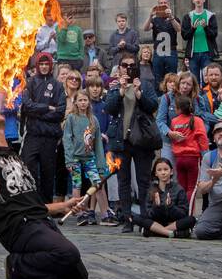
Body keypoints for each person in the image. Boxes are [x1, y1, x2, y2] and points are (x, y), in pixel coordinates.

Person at [0, 109, 89, 279]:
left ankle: (24, 270)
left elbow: (31, 204)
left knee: (78, 277)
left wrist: (63, 205)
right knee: (67, 253)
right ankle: (17, 267)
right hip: (18, 227)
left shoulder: (13, 154)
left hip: (40, 222)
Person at [104, 57, 159, 232]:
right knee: (123, 181)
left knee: (144, 181)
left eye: (131, 65)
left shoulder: (146, 84)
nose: (128, 68)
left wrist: (139, 94)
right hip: (122, 142)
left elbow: (152, 106)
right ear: (119, 68)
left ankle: (145, 219)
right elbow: (110, 109)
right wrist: (121, 91)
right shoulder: (114, 86)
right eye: (124, 65)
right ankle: (127, 218)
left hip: (142, 140)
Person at [18, 52, 66, 204]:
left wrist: (37, 113)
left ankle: (46, 205)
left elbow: (60, 112)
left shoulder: (58, 85)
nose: (44, 67)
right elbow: (27, 106)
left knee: (48, 172)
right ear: (37, 65)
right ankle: (33, 202)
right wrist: (46, 108)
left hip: (50, 136)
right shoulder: (30, 83)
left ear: (51, 65)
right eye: (41, 64)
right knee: (28, 166)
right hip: (32, 134)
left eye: (47, 64)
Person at [62, 89, 107, 222]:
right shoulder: (71, 118)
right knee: (77, 184)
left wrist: (101, 165)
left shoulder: (93, 120)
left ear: (89, 102)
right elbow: (67, 139)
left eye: (85, 100)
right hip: (75, 157)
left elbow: (98, 143)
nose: (82, 103)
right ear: (75, 102)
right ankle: (80, 212)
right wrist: (69, 160)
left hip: (89, 158)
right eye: (80, 100)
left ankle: (105, 213)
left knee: (97, 184)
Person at [138, 158, 196, 238]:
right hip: (157, 222)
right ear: (155, 173)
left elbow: (183, 214)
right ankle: (172, 233)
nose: (163, 173)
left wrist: (171, 206)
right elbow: (149, 215)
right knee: (138, 218)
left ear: (171, 171)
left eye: (166, 169)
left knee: (191, 219)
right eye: (159, 170)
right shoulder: (151, 190)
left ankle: (157, 232)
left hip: (173, 223)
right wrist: (156, 207)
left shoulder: (179, 189)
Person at [180, 0, 218, 88]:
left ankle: (206, 100)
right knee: (194, 80)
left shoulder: (210, 16)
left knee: (207, 79)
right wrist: (192, 28)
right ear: (193, 1)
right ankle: (196, 101)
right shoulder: (188, 16)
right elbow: (184, 36)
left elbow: (214, 35)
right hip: (193, 54)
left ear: (204, 0)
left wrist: (205, 27)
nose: (198, 0)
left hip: (207, 53)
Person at [144, 0, 180, 83]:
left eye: (165, 3)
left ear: (169, 4)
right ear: (158, 5)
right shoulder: (155, 19)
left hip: (171, 50)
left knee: (172, 77)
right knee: (158, 76)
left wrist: (171, 17)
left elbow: (178, 29)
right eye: (161, 3)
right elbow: (146, 28)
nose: (163, 5)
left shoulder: (174, 18)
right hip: (159, 51)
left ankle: (172, 94)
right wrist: (150, 16)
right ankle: (158, 95)